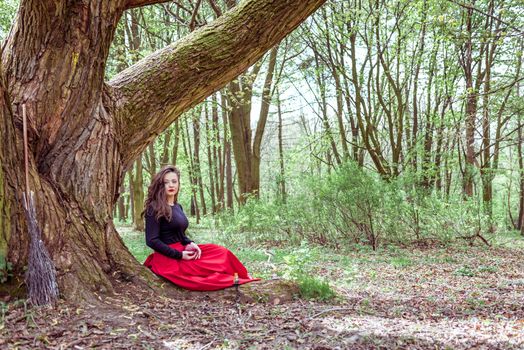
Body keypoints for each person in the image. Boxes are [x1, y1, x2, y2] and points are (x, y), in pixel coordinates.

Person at [142, 165, 259, 291]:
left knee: (221, 252)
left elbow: (179, 233)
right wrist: (180, 255)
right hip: (169, 258)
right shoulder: (154, 208)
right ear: (160, 185)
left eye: (174, 181)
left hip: (182, 250)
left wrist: (190, 243)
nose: (171, 185)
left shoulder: (177, 206)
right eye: (166, 182)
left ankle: (243, 276)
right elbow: (152, 240)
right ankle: (236, 279)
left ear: (178, 184)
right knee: (208, 271)